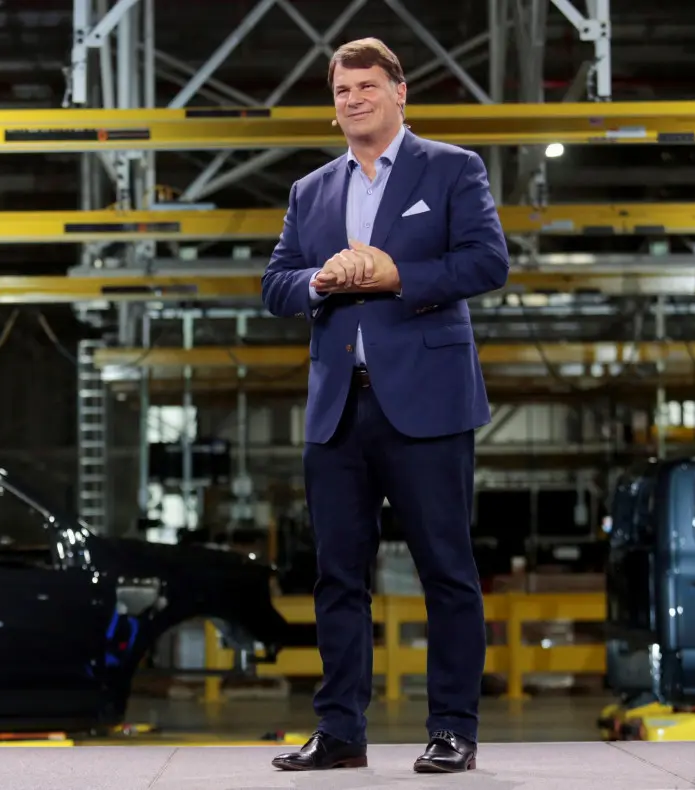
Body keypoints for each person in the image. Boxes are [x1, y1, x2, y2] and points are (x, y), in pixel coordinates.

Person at [261, 37, 510, 772]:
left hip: (428, 405)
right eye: (343, 90)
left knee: (446, 570)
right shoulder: (311, 192)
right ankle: (340, 734)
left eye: (368, 85)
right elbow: (276, 283)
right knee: (337, 576)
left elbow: (488, 262)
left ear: (401, 93)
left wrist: (398, 272)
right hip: (338, 409)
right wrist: (317, 281)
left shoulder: (453, 169)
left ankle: (453, 730)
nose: (354, 99)